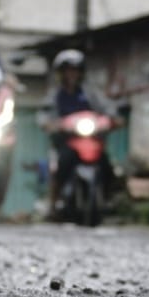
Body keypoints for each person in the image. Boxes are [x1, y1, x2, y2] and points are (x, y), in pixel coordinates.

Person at [39, 49, 122, 220]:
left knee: (107, 166)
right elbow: (44, 115)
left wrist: (113, 119)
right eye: (68, 70)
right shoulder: (55, 95)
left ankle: (108, 198)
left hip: (91, 140)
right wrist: (51, 124)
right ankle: (53, 203)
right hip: (67, 142)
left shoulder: (90, 93)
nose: (72, 74)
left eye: (75, 70)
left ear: (81, 72)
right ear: (61, 73)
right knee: (62, 165)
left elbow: (108, 109)